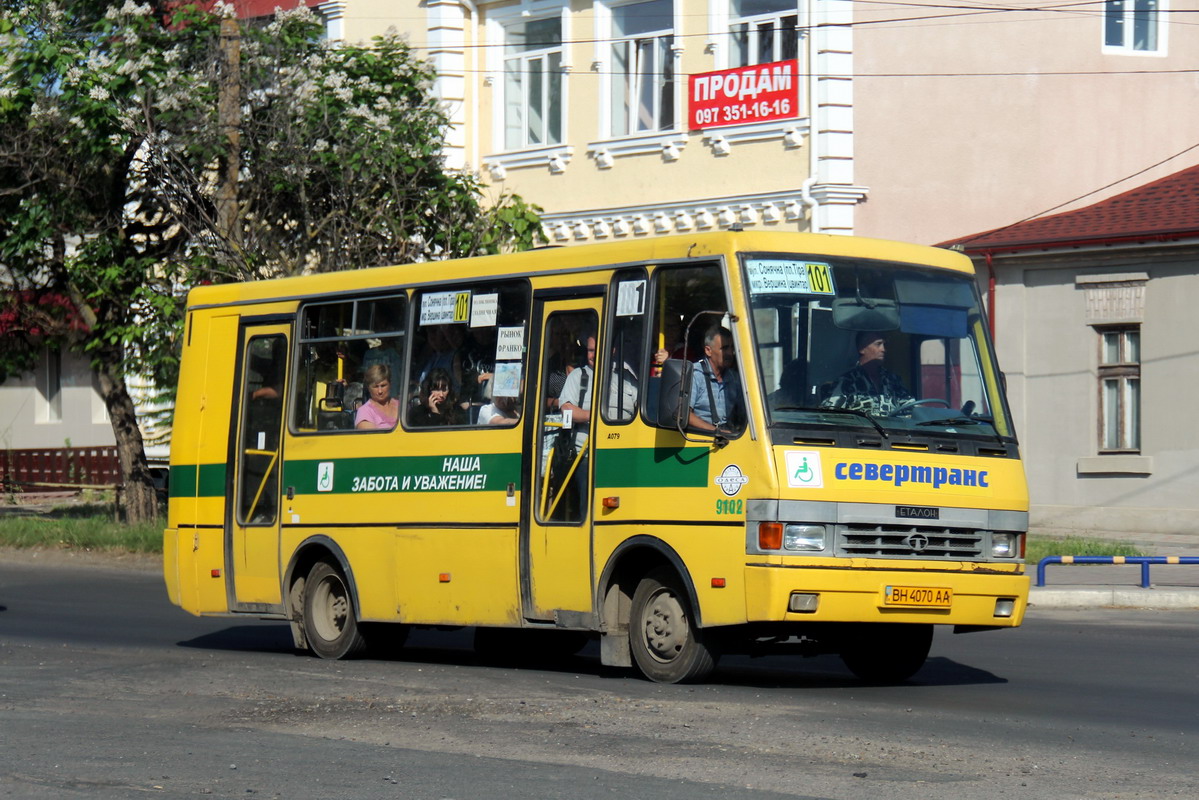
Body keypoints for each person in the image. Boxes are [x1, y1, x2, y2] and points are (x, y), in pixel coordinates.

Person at [821, 331, 912, 415]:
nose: (883, 349)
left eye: (884, 345)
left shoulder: (893, 380)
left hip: (891, 431)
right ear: (862, 349)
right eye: (878, 344)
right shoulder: (847, 381)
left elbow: (911, 407)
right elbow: (828, 414)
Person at [688, 325, 742, 432]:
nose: (730, 353)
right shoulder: (695, 374)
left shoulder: (734, 378)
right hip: (701, 437)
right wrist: (716, 431)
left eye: (732, 348)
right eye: (725, 348)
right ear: (708, 351)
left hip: (730, 436)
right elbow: (685, 415)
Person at [354, 364, 400, 430]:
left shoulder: (401, 406)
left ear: (390, 384)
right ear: (369, 388)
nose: (380, 391)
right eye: (375, 386)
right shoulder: (365, 412)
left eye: (383, 385)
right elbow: (372, 438)